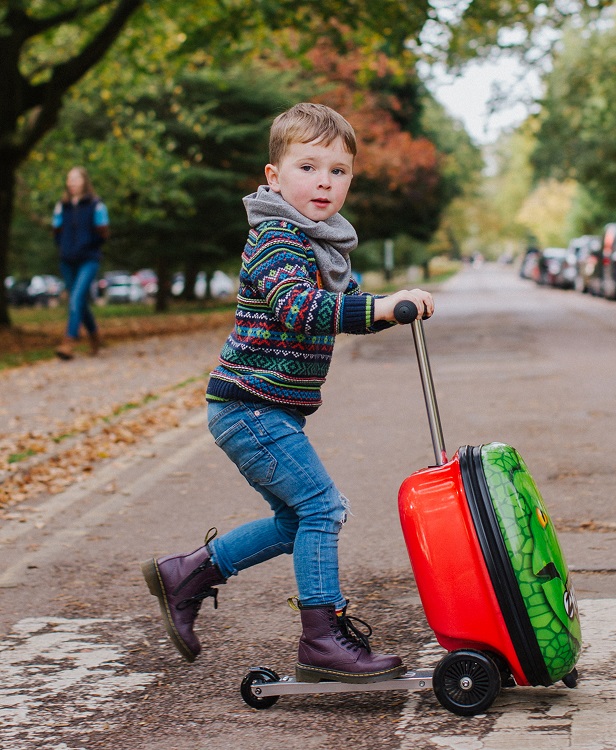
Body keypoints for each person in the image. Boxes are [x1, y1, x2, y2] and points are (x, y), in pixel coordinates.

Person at [141, 103, 434, 683]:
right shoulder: (276, 237)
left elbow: (340, 314)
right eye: (307, 166)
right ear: (274, 177)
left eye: (338, 170)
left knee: (299, 520)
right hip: (248, 407)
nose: (324, 181)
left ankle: (189, 573)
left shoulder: (321, 243)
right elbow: (301, 309)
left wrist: (388, 308)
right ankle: (322, 636)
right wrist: (375, 306)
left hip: (270, 410)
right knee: (322, 508)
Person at [52, 166, 110, 359]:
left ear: (84, 181)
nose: (71, 183)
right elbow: (57, 231)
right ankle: (95, 336)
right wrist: (64, 248)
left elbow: (103, 233)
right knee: (80, 302)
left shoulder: (96, 205)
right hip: (67, 260)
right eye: (69, 179)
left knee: (76, 298)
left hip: (89, 259)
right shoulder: (62, 206)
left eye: (75, 179)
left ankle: (69, 341)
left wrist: (88, 246)